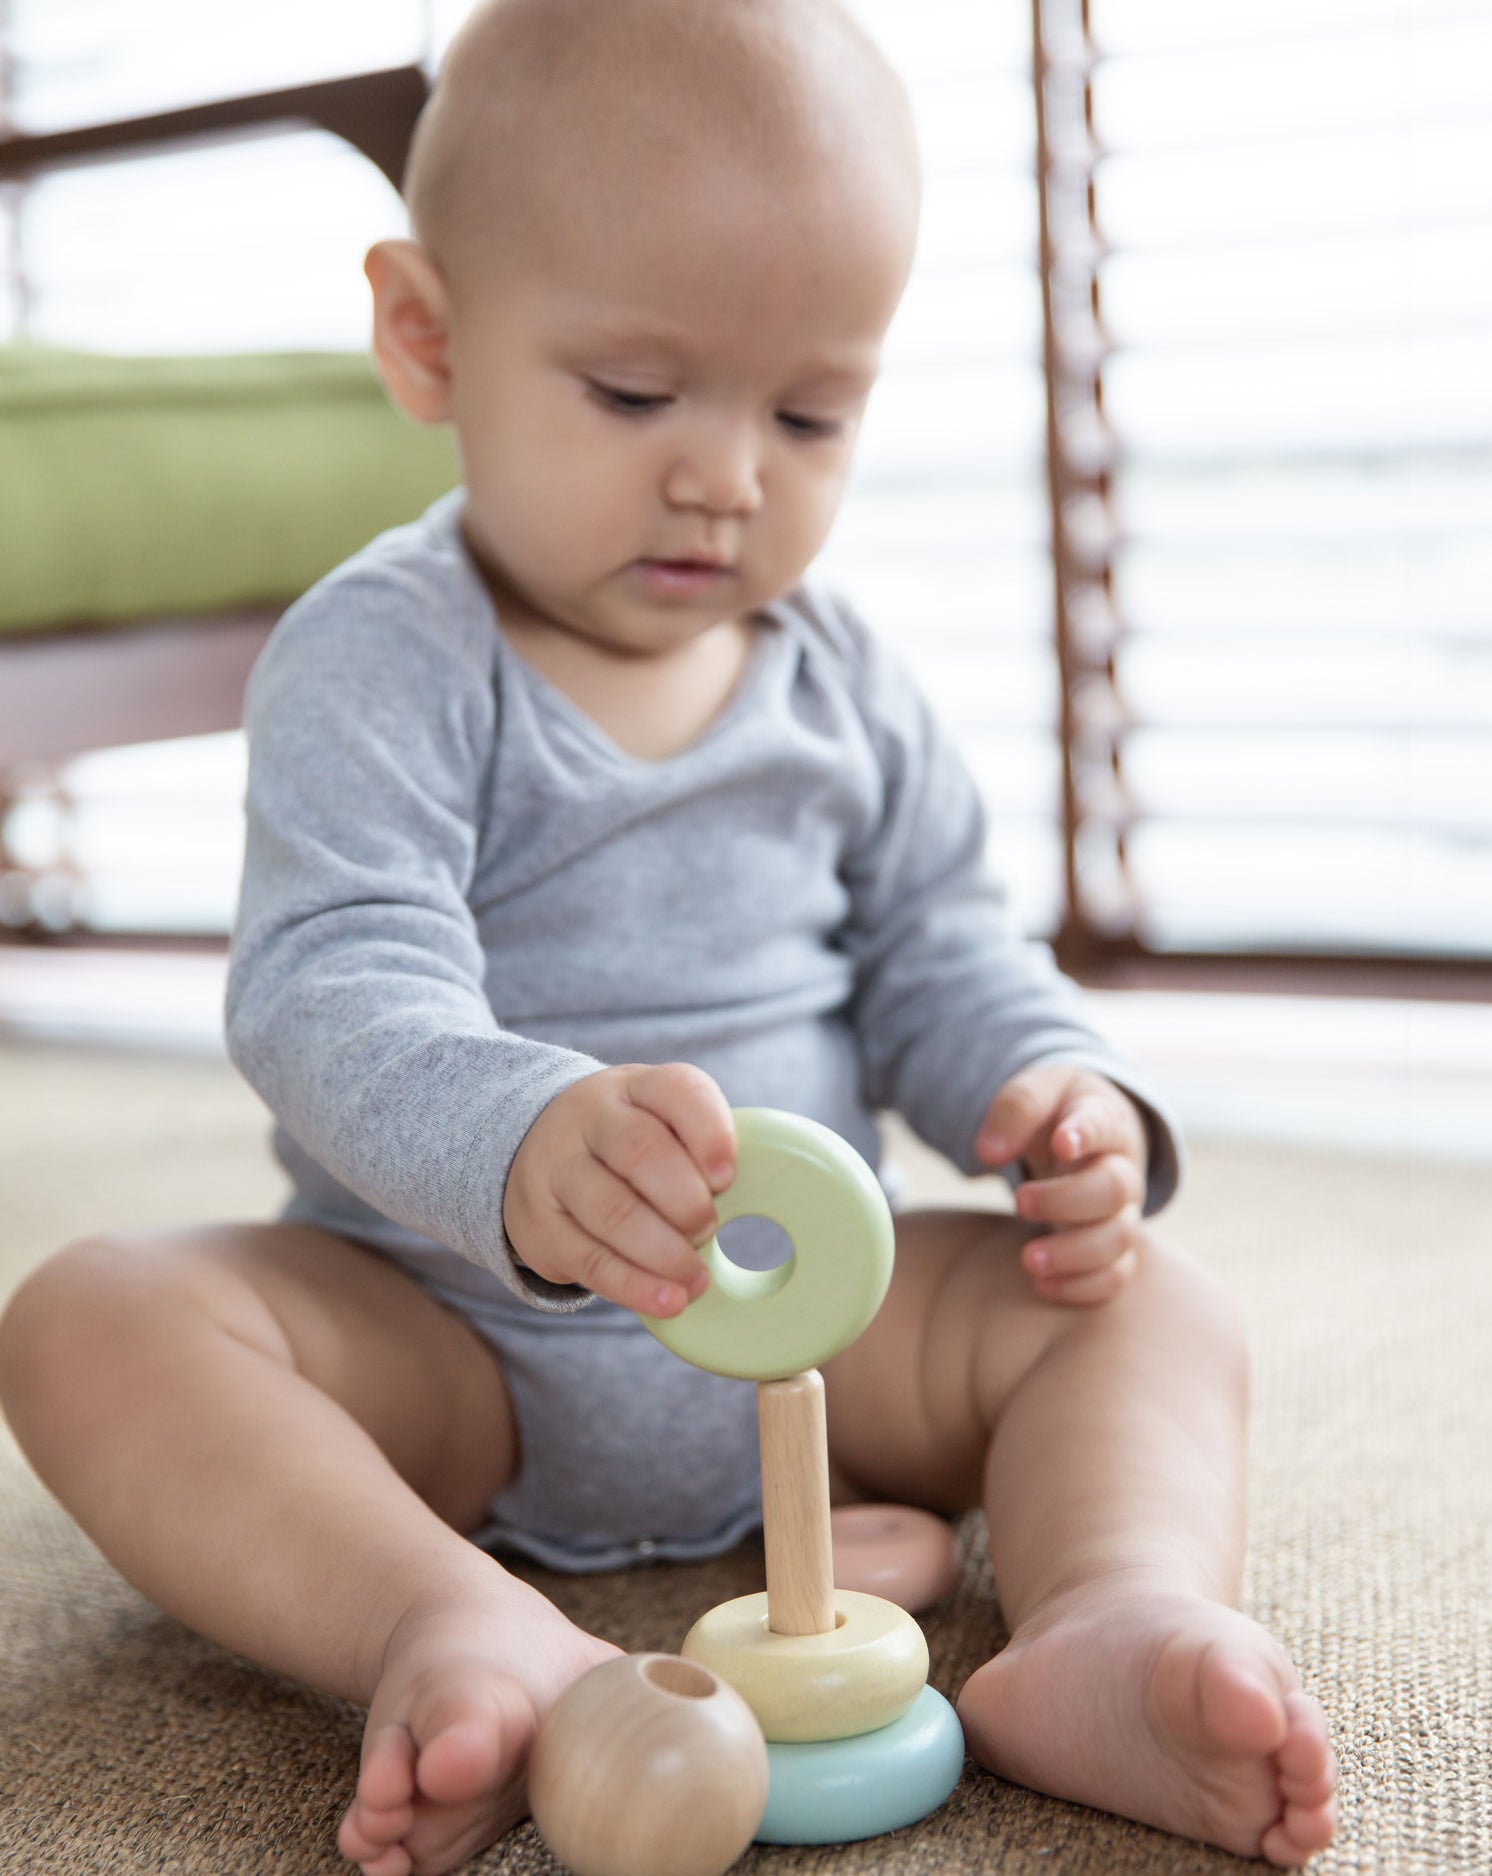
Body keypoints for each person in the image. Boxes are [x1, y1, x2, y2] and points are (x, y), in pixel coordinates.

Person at [0, 1, 1338, 1870]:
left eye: (807, 412)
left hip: (825, 1339)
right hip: (447, 1348)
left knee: (1150, 1309)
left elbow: (941, 945)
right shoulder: (383, 654)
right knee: (93, 1320)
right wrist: (522, 1137)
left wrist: (1044, 1094)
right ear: (429, 336)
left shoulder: (841, 676)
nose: (726, 473)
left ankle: (1105, 1616)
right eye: (635, 395)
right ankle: (448, 1623)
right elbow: (329, 983)